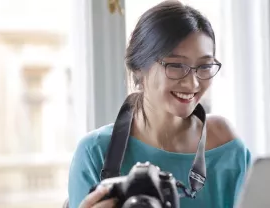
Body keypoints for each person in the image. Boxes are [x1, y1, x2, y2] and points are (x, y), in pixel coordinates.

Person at [68, 1, 251, 207]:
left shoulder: (226, 146)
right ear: (139, 68)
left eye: (204, 66)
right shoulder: (96, 152)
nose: (193, 83)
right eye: (176, 66)